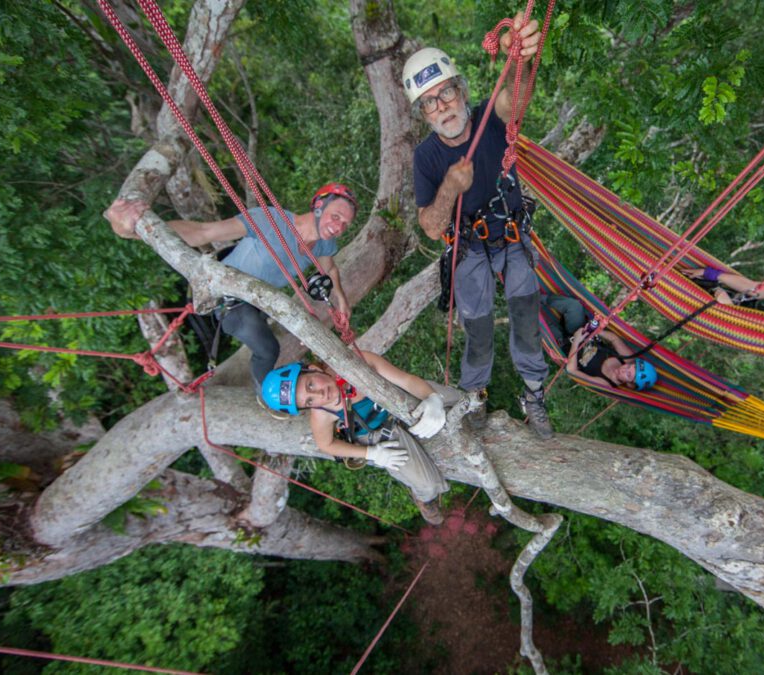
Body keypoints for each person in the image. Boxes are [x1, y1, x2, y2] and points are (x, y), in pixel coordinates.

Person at [404, 13, 553, 438]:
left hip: (509, 232)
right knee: (478, 326)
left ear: (461, 91)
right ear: (423, 113)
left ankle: (533, 391)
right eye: (430, 101)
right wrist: (450, 186)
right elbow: (432, 227)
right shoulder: (427, 158)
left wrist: (522, 57)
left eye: (447, 92)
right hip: (468, 245)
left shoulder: (490, 118)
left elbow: (516, 98)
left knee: (526, 313)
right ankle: (474, 397)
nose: (443, 106)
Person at [105, 184, 358, 386]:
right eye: (335, 216)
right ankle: (267, 396)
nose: (338, 226)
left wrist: (341, 300)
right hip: (229, 301)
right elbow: (204, 232)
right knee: (268, 349)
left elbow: (329, 268)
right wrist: (139, 230)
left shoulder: (324, 244)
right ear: (318, 207)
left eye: (345, 224)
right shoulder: (272, 220)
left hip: (260, 302)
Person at [260, 352, 460, 525]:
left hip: (401, 400)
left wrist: (432, 399)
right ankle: (423, 499)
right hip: (380, 434)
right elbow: (326, 444)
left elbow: (406, 381)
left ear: (312, 369)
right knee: (428, 485)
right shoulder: (322, 413)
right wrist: (371, 453)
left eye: (310, 384)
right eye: (310, 400)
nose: (320, 394)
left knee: (458, 399)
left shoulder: (356, 362)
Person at [544, 294, 658, 391]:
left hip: (563, 345)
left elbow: (571, 370)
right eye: (629, 367)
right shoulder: (627, 358)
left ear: (630, 384)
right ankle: (536, 296)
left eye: (628, 375)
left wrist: (576, 341)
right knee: (574, 306)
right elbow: (614, 339)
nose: (624, 369)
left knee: (539, 324)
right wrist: (596, 331)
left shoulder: (605, 383)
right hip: (582, 331)